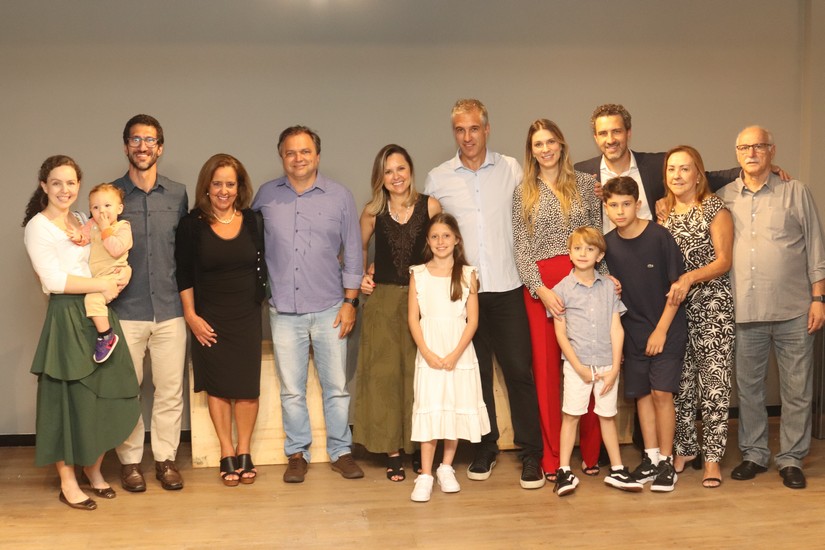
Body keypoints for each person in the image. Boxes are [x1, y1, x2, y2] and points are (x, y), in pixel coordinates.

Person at [424, 98, 545, 489]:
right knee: (475, 377)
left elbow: (542, 205)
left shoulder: (511, 169)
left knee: (519, 373)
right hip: (465, 297)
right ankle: (485, 448)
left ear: (487, 129)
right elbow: (429, 238)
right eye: (460, 130)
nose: (467, 137)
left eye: (474, 128)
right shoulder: (438, 179)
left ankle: (532, 454)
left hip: (509, 288)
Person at [23, 155, 140, 510]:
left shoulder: (81, 218)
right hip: (67, 315)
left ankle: (93, 469)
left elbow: (107, 254)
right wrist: (101, 285)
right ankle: (68, 481)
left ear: (79, 185)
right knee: (66, 400)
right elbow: (52, 280)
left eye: (71, 182)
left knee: (102, 395)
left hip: (96, 312)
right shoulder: (38, 226)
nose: (65, 189)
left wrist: (120, 275)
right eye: (56, 182)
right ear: (44, 186)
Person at [252, 125, 364, 483]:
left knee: (336, 388)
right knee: (291, 390)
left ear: (317, 155)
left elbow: (354, 251)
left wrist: (351, 302)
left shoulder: (340, 196)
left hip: (331, 307)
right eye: (290, 152)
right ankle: (297, 453)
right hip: (284, 310)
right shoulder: (266, 196)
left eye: (304, 151)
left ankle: (341, 451)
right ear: (281, 156)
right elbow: (249, 245)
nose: (297, 158)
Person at [719, 126, 825, 490]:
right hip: (745, 311)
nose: (751, 153)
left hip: (794, 310)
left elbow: (816, 247)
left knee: (797, 390)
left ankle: (791, 459)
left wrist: (819, 298)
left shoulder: (796, 192)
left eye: (759, 146)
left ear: (772, 151)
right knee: (749, 389)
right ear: (736, 153)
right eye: (744, 147)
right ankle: (754, 454)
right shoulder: (723, 197)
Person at [512, 119, 605, 481]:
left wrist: (603, 280)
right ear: (531, 151)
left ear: (562, 145)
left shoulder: (585, 185)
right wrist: (540, 289)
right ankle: (552, 457)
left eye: (550, 141)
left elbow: (597, 238)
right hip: (542, 289)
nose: (545, 149)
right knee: (548, 372)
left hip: (583, 281)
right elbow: (521, 249)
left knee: (588, 365)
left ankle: (592, 452)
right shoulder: (523, 192)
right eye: (538, 144)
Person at [175, 154, 267, 487]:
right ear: (207, 186)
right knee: (217, 386)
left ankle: (244, 451)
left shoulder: (253, 221)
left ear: (239, 187)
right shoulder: (191, 225)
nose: (224, 190)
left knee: (246, 387)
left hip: (246, 315)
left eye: (230, 184)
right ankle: (226, 451)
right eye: (217, 184)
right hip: (209, 318)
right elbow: (183, 273)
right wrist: (191, 316)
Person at [354, 144, 441, 482]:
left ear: (410, 170)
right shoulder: (372, 211)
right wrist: (362, 276)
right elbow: (358, 247)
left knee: (420, 376)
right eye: (388, 171)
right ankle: (392, 451)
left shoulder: (430, 205)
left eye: (400, 168)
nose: (396, 176)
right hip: (384, 302)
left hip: (423, 300)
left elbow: (443, 246)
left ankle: (419, 447)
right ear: (380, 177)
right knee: (385, 377)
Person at [112, 114, 189, 492]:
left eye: (150, 140)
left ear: (160, 147)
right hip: (125, 311)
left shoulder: (178, 194)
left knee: (170, 391)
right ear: (126, 145)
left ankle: (165, 460)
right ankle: (129, 463)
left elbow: (185, 251)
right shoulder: (110, 195)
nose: (142, 147)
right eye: (135, 139)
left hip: (170, 309)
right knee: (126, 391)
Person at [602, 176, 687, 492]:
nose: (620, 211)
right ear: (606, 207)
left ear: (637, 204)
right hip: (632, 333)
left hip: (666, 328)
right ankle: (650, 459)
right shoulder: (607, 246)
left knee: (662, 393)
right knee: (642, 395)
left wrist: (661, 331)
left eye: (626, 204)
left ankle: (666, 461)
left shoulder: (659, 236)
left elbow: (677, 289)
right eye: (613, 205)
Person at [659, 146, 734, 489]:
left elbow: (723, 261)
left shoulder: (715, 209)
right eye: (671, 169)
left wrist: (689, 278)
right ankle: (685, 449)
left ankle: (713, 458)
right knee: (682, 383)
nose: (677, 175)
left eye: (684, 168)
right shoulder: (664, 213)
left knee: (714, 384)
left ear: (698, 174)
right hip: (676, 310)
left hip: (712, 308)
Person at [550, 227, 641, 496]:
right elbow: (560, 333)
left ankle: (617, 469)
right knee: (571, 415)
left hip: (606, 365)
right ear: (569, 253)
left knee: (607, 416)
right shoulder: (561, 290)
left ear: (599, 255)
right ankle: (564, 471)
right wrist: (578, 367)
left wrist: (614, 368)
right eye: (577, 248)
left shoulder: (609, 288)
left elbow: (616, 328)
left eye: (590, 249)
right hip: (577, 365)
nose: (583, 253)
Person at [407, 213, 491, 502]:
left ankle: (446, 467)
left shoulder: (467, 274)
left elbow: (472, 320)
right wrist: (427, 352)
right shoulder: (418, 273)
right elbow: (413, 319)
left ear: (456, 239)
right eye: (434, 236)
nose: (440, 241)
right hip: (429, 350)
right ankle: (425, 474)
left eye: (446, 236)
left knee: (453, 406)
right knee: (431, 407)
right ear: (428, 241)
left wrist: (455, 354)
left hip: (459, 352)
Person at [575, 103, 743, 232]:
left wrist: (749, 171)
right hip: (604, 261)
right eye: (603, 133)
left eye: (617, 131)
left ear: (628, 133)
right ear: (596, 138)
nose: (610, 140)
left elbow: (706, 179)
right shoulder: (583, 172)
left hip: (652, 259)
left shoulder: (657, 165)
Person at [68, 183, 133, 364]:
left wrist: (105, 229)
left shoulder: (123, 227)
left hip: (113, 275)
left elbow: (116, 249)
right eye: (95, 207)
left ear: (119, 208)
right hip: (97, 278)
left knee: (92, 300)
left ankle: (106, 336)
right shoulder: (92, 224)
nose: (101, 211)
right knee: (89, 300)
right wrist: (78, 237)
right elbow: (84, 239)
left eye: (107, 205)